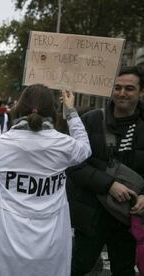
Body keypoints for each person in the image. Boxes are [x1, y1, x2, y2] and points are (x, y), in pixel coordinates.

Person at [0, 85, 91, 276]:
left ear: (19, 107)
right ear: (52, 110)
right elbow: (85, 149)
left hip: (8, 238)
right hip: (52, 240)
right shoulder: (63, 143)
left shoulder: (1, 144)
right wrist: (71, 111)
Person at [68, 66, 144, 276]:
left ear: (141, 92)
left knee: (124, 270)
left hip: (130, 217)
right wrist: (109, 184)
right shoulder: (91, 120)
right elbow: (73, 165)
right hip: (93, 214)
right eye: (117, 87)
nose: (122, 93)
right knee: (79, 267)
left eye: (129, 88)